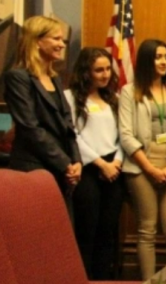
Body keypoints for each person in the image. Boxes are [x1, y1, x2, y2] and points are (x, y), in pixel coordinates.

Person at [119, 39, 166, 279]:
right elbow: (126, 135)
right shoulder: (130, 91)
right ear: (147, 60)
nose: (163, 62)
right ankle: (148, 280)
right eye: (158, 57)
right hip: (140, 168)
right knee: (147, 229)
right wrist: (150, 169)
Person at [3, 15, 80, 208]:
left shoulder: (55, 79)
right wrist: (65, 163)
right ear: (37, 41)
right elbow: (30, 127)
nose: (62, 44)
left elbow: (67, 124)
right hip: (34, 167)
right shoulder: (18, 78)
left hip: (62, 169)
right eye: (56, 39)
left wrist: (76, 160)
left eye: (62, 40)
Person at [64, 47, 124, 280]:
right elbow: (73, 136)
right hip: (87, 168)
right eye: (98, 70)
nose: (105, 74)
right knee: (87, 229)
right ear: (85, 71)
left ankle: (103, 277)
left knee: (107, 231)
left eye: (108, 69)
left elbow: (123, 134)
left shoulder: (114, 98)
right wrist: (100, 163)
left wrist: (116, 162)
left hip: (114, 168)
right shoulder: (69, 97)